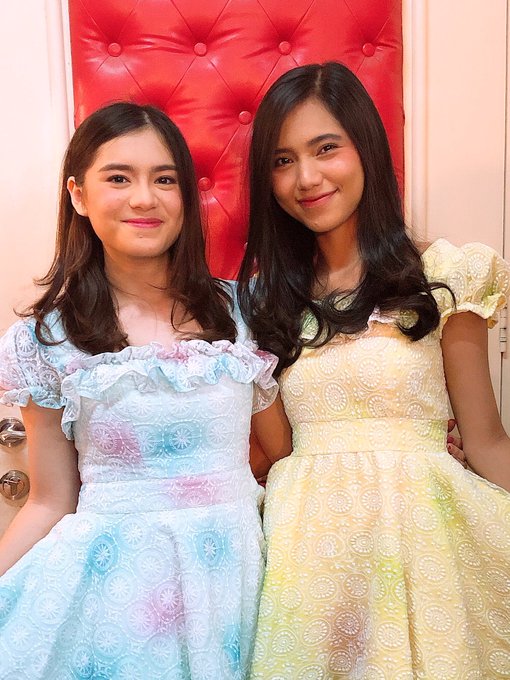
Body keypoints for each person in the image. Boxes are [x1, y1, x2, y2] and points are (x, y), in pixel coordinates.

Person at [238, 62, 510, 679]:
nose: (306, 178)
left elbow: (487, 441)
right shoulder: (263, 303)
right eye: (282, 161)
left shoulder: (445, 275)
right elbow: (278, 450)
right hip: (307, 555)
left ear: (366, 147)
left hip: (422, 548)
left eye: (325, 148)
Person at [0, 102, 287, 680]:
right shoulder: (45, 338)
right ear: (78, 195)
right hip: (115, 597)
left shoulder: (243, 312)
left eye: (164, 179)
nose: (143, 198)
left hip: (237, 580)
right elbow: (51, 500)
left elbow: (281, 454)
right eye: (118, 178)